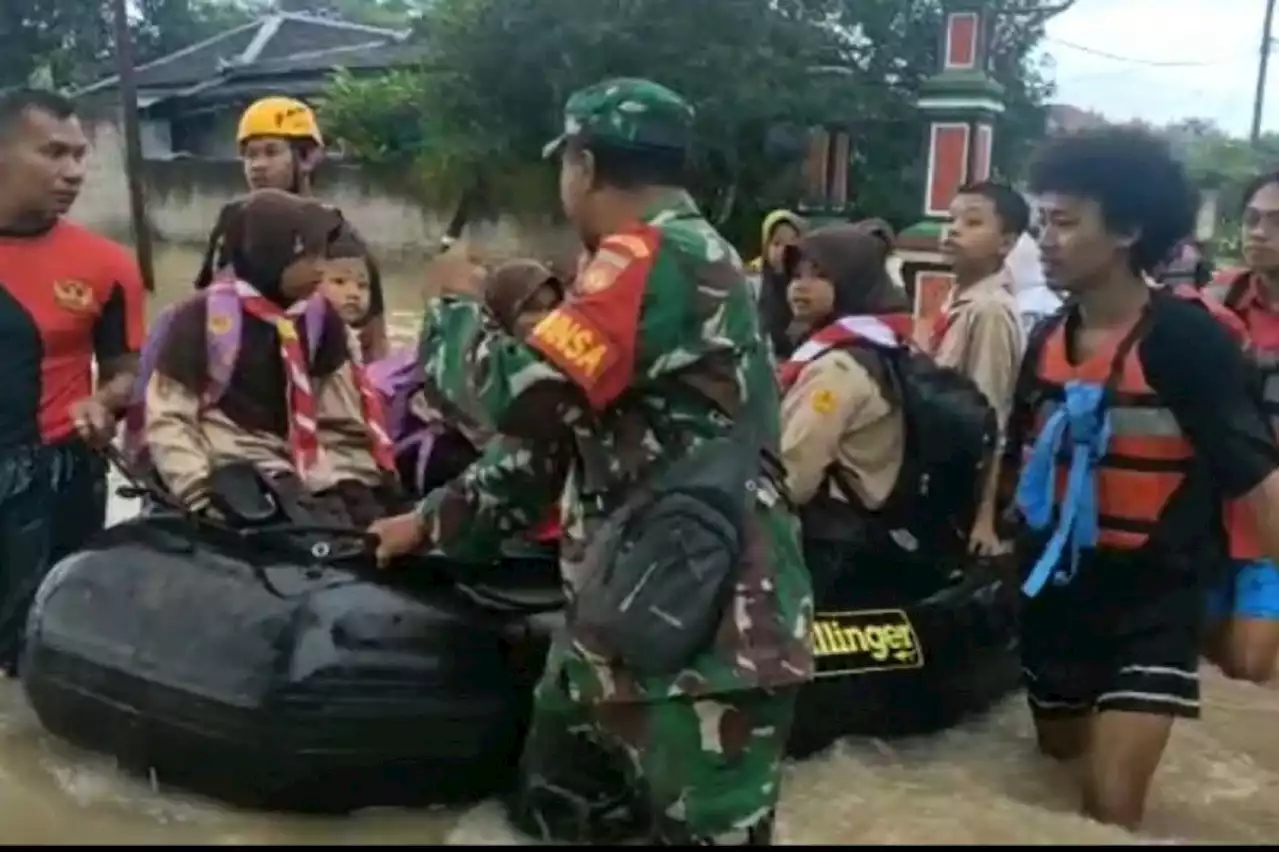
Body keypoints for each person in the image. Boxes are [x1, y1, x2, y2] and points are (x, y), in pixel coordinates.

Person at [370, 77, 813, 845]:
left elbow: (520, 401)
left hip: (711, 640)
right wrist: (428, 523)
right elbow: (553, 443)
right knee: (555, 818)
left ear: (581, 163)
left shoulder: (653, 256)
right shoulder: (663, 262)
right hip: (621, 620)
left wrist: (451, 310)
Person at [1005, 127, 1280, 829]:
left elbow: (1257, 474)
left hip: (1155, 600)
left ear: (1128, 228)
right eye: (1042, 223)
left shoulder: (1189, 344)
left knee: (1107, 812)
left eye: (1065, 223)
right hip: (1056, 593)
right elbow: (1015, 453)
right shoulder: (1043, 339)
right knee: (1053, 783)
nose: (1046, 240)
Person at [144, 189, 398, 529]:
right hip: (231, 463)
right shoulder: (200, 316)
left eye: (323, 256)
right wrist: (197, 491)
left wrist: (357, 481)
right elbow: (168, 417)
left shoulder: (322, 319)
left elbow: (340, 418)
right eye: (308, 256)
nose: (321, 269)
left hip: (306, 465)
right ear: (271, 253)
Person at [0, 89, 145, 674]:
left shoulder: (106, 265)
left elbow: (129, 374)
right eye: (54, 153)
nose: (74, 172)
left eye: (80, 155)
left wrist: (104, 401)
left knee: (43, 644)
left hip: (61, 477)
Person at [193, 96, 391, 362]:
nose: (258, 165)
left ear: (308, 158)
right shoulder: (233, 231)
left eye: (271, 152)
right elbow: (201, 320)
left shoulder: (340, 239)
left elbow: (373, 341)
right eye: (250, 155)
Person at [774, 224, 915, 595]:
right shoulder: (879, 343)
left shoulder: (837, 367)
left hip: (827, 542)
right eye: (797, 275)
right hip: (861, 534)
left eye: (820, 275)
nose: (800, 286)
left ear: (852, 281)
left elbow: (794, 476)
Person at [1198, 170, 1280, 684]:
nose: (1258, 233)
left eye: (1276, 223)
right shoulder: (1217, 301)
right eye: (1252, 219)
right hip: (1212, 511)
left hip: (1274, 515)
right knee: (1204, 655)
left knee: (1251, 668)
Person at [935, 181, 1026, 558]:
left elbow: (993, 418)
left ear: (1006, 243)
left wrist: (984, 517)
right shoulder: (957, 299)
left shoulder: (988, 312)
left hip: (962, 498)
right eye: (952, 219)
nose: (954, 230)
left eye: (973, 222)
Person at [751, 208, 805, 358]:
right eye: (776, 243)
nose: (783, 251)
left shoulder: (808, 289)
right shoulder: (753, 286)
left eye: (791, 244)